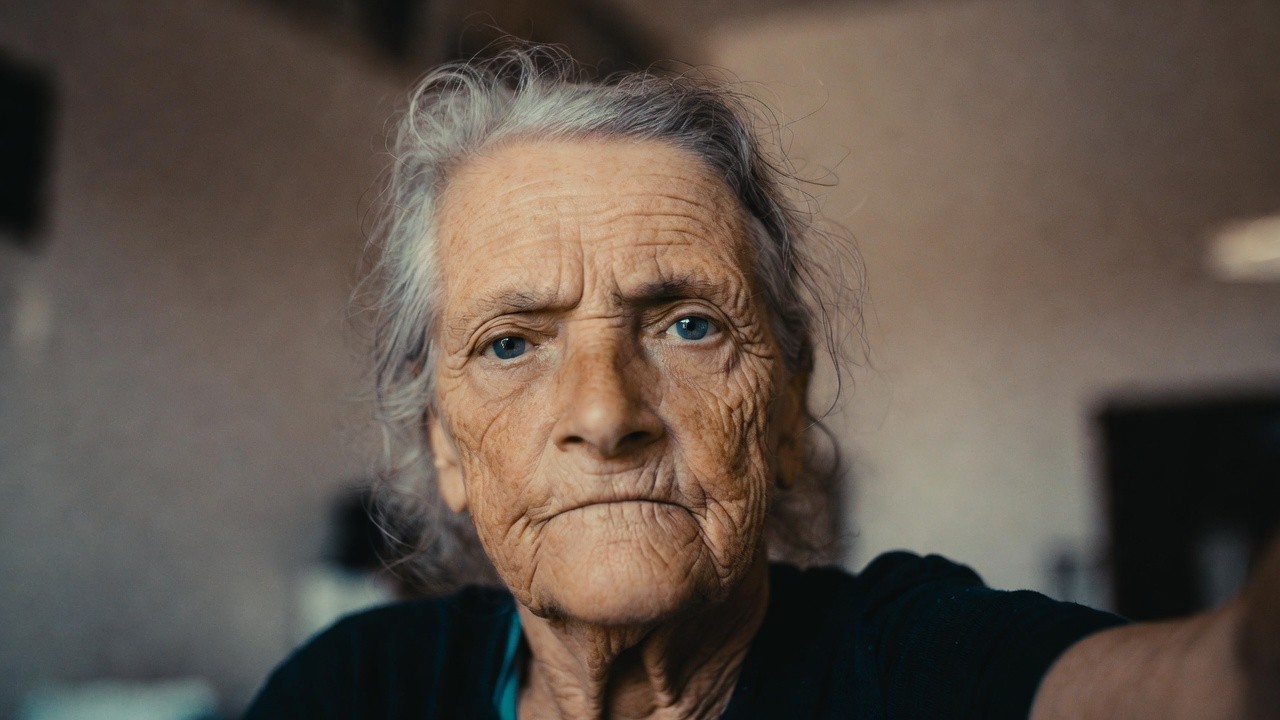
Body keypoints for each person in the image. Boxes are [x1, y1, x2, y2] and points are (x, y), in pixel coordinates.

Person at [244, 46, 1279, 719]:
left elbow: (1220, 685)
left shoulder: (904, 662)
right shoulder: (354, 692)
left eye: (689, 326)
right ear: (444, 443)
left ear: (785, 409)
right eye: (512, 345)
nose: (604, 413)